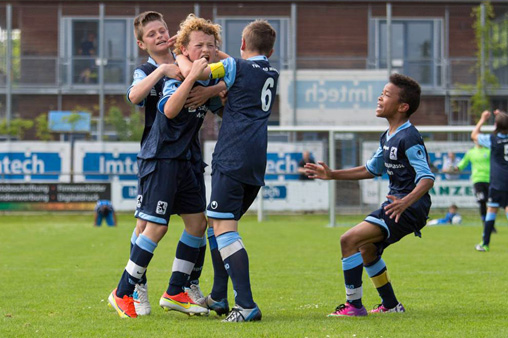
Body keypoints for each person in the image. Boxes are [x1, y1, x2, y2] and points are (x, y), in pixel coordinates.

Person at [108, 12, 225, 318]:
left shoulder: (189, 60)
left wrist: (201, 67)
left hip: (187, 156)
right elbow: (135, 96)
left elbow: (220, 79)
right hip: (159, 154)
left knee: (197, 223)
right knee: (149, 225)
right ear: (141, 43)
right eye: (152, 34)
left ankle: (179, 287)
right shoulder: (152, 70)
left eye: (163, 30)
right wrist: (163, 70)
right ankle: (132, 287)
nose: (160, 36)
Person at [305, 74, 435, 316]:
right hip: (398, 205)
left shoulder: (409, 137)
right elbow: (370, 169)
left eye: (386, 94)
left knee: (348, 240)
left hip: (408, 207)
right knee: (367, 250)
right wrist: (332, 174)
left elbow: (426, 177)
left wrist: (405, 202)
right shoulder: (388, 136)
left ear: (402, 106)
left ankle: (353, 306)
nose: (379, 97)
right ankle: (391, 305)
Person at [177, 18, 278, 322]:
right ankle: (219, 296)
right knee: (215, 224)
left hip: (233, 156)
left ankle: (245, 305)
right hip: (255, 158)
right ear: (270, 51)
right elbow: (231, 72)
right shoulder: (270, 71)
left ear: (243, 45)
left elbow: (204, 72)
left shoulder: (237, 67)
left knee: (224, 229)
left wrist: (181, 56)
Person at [471, 110, 508, 252]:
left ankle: (485, 244)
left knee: (491, 209)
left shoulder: (493, 140)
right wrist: (502, 115)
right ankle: (484, 243)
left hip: (498, 181)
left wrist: (482, 119)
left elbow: (474, 135)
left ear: (495, 125)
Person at [452, 142, 491, 228]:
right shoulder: (471, 152)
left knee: (491, 203)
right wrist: (457, 167)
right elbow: (463, 162)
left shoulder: (488, 151)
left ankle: (490, 222)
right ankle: (485, 223)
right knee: (482, 202)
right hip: (478, 180)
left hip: (489, 179)